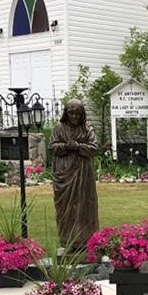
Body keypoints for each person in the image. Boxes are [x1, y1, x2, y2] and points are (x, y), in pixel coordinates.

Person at [50, 99, 99, 249]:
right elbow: (52, 146)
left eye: (77, 113)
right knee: (66, 207)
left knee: (85, 205)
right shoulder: (59, 128)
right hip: (64, 172)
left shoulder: (87, 129)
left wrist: (79, 147)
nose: (74, 116)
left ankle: (87, 240)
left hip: (83, 174)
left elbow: (94, 148)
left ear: (82, 113)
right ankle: (67, 240)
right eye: (71, 113)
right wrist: (65, 146)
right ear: (66, 113)